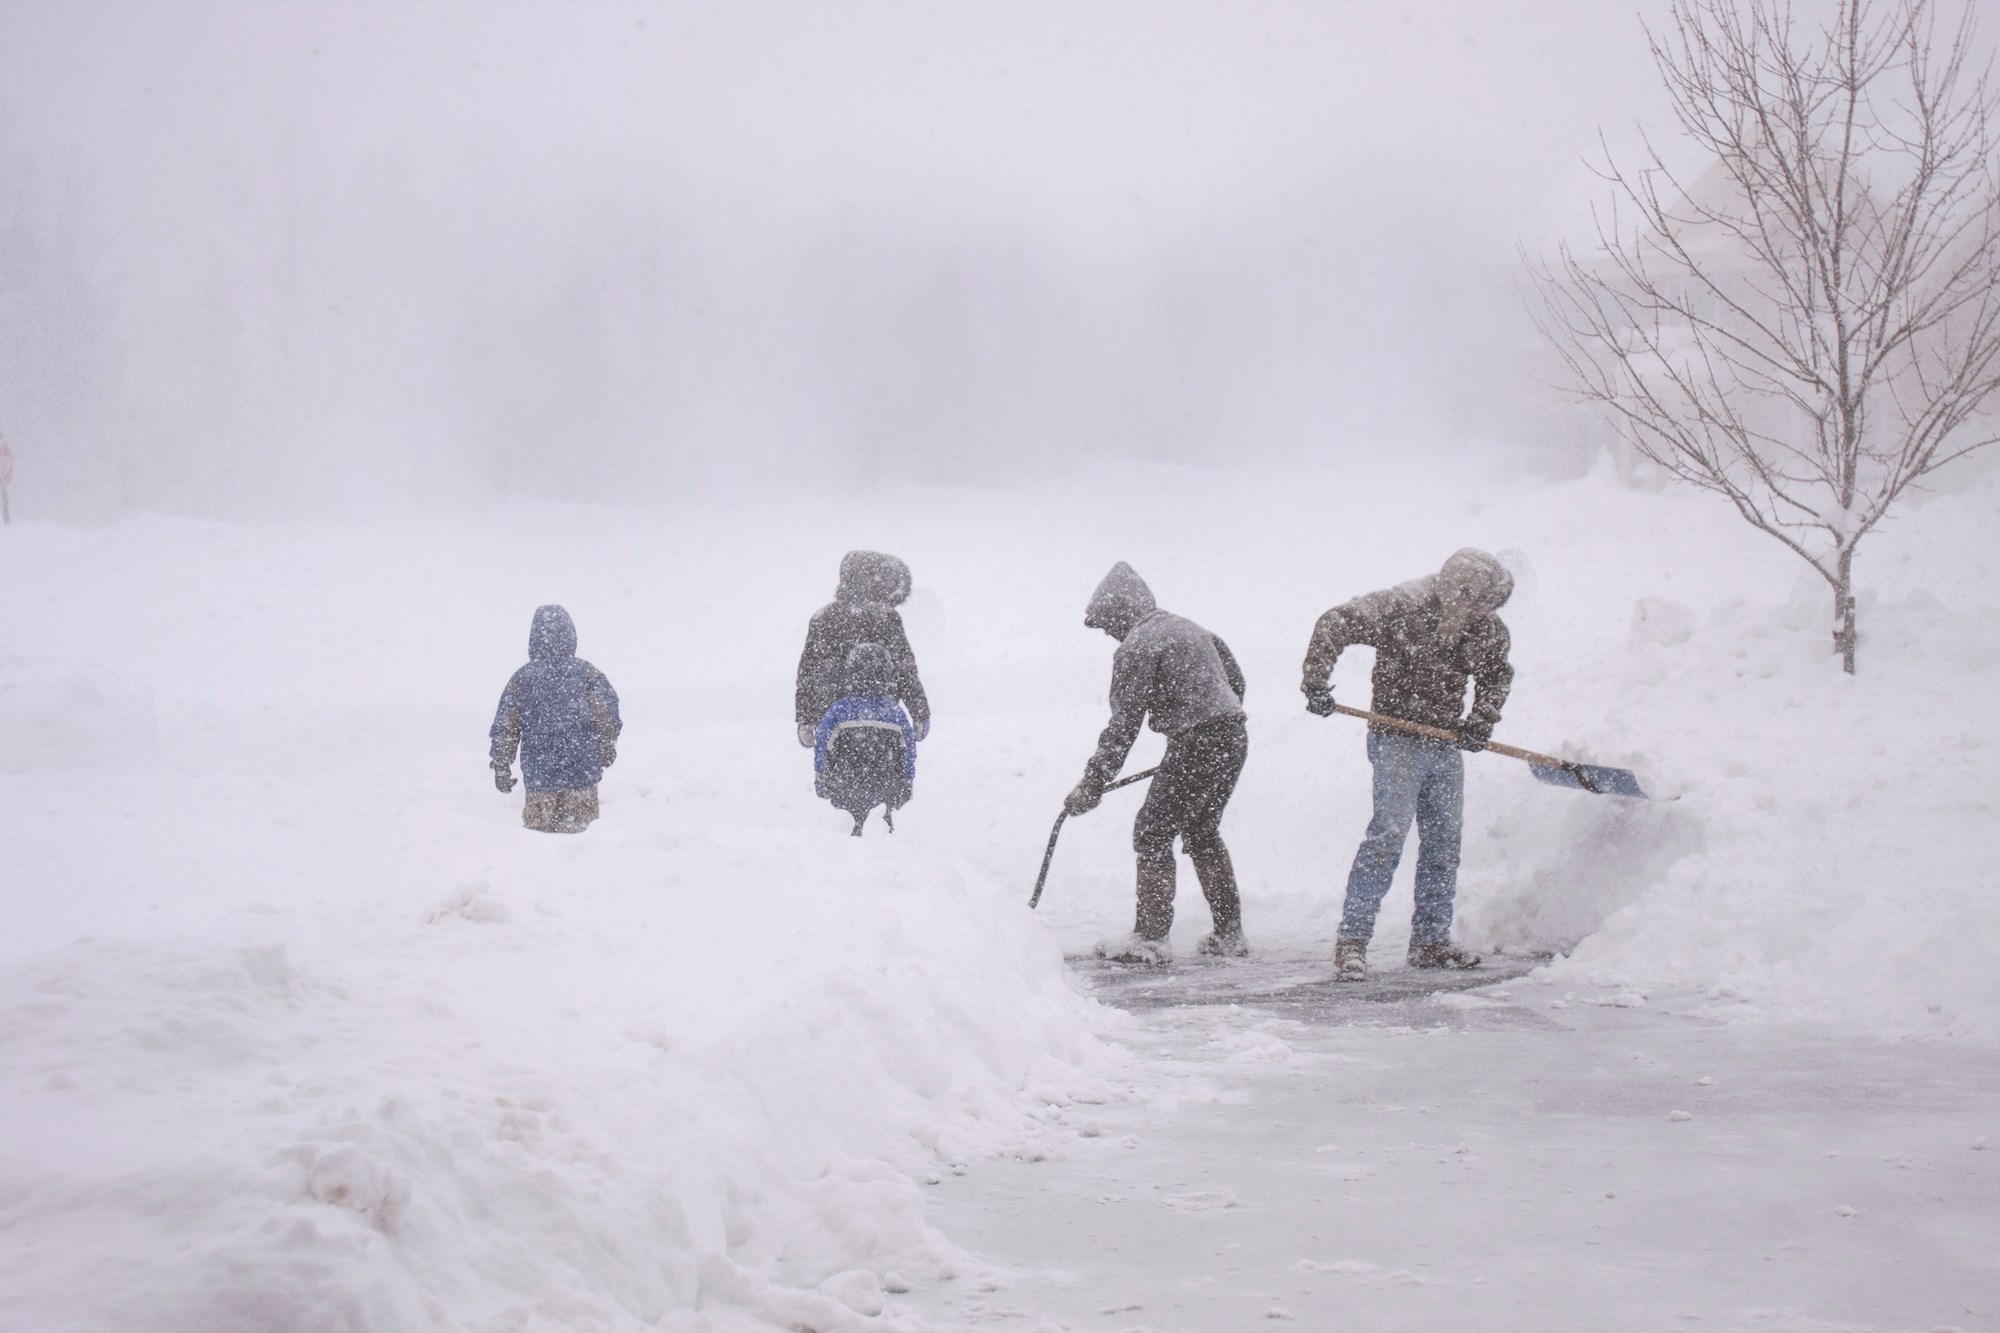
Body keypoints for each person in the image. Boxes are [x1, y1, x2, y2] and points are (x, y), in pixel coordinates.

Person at [1300, 548, 1515, 979]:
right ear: (1458, 590)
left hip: (1444, 745)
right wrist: (1316, 682)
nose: (1481, 616)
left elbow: (1497, 675)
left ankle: (1431, 942)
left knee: (1443, 844)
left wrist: (1480, 721)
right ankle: (1353, 943)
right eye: (1476, 604)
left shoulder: (1488, 629)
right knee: (1388, 837)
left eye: (1488, 608)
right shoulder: (1401, 606)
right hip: (1396, 740)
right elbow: (1334, 623)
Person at [1065, 562, 1249, 965]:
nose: (1110, 633)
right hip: (1233, 736)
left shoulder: (1137, 645)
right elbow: (1235, 683)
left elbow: (1123, 725)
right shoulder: (1192, 628)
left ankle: (1150, 940)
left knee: (1152, 832)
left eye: (1108, 623)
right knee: (1201, 831)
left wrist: (1092, 783)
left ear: (1122, 611)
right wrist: (1212, 725)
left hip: (1199, 741)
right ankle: (1230, 932)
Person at [489, 604, 623, 834]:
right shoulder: (586, 672)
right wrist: (607, 744)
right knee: (581, 846)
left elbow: (506, 727)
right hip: (580, 774)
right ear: (570, 636)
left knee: (538, 846)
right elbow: (607, 713)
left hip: (540, 778)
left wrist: (502, 764)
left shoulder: (523, 678)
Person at [796, 551, 930, 750]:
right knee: (883, 772)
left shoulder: (823, 618)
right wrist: (919, 712)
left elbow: (808, 671)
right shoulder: (885, 617)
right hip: (881, 717)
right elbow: (904, 669)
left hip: (834, 718)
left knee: (835, 771)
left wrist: (805, 717)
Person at [814, 642, 918, 836]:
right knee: (880, 836)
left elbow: (823, 746)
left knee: (844, 836)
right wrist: (906, 782)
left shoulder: (839, 710)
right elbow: (907, 752)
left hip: (845, 786)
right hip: (885, 788)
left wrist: (822, 777)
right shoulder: (894, 713)